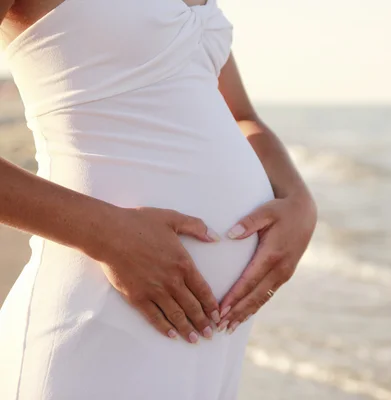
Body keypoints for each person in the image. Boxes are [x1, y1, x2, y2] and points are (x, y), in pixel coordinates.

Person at [0, 0, 317, 398]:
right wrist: (108, 234)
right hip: (94, 316)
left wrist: (298, 198)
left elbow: (239, 115)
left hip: (213, 340)